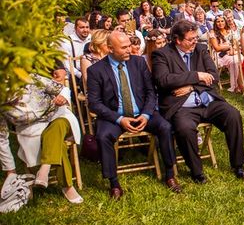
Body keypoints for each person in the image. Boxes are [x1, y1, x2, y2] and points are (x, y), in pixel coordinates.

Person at [152, 20, 244, 182]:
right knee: (184, 128)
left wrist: (190, 86)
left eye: (196, 38)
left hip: (207, 100)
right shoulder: (162, 54)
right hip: (182, 106)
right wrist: (197, 76)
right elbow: (164, 80)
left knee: (233, 115)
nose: (195, 42)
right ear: (177, 40)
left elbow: (214, 76)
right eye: (191, 39)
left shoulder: (201, 50)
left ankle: (238, 164)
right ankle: (197, 171)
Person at [87, 32, 179, 200]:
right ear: (109, 49)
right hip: (114, 116)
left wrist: (146, 114)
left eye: (129, 45)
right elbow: (94, 103)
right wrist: (119, 119)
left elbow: (151, 92)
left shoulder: (138, 63)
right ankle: (114, 183)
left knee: (165, 126)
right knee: (103, 136)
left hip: (141, 112)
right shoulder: (96, 70)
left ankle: (170, 174)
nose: (130, 49)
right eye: (124, 47)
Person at [0, 71, 83, 204]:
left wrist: (63, 97)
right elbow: (1, 138)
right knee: (56, 142)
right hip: (31, 130)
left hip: (58, 116)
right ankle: (67, 185)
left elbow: (63, 88)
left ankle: (44, 170)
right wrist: (11, 171)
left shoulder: (32, 79)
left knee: (57, 127)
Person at [210, 15, 241, 93]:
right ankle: (235, 86)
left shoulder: (229, 30)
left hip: (231, 53)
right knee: (235, 61)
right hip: (220, 55)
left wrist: (229, 47)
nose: (220, 23)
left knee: (241, 58)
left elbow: (234, 43)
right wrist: (228, 47)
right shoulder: (213, 32)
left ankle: (239, 83)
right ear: (215, 23)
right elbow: (217, 48)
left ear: (225, 22)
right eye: (218, 21)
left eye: (222, 21)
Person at [59, 18, 92, 88]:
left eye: (87, 27)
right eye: (82, 27)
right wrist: (80, 74)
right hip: (75, 74)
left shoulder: (92, 39)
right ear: (75, 28)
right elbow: (67, 64)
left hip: (91, 72)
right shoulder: (67, 41)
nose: (85, 30)